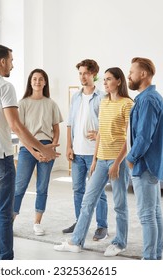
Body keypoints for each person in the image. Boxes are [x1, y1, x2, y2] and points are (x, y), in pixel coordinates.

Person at [0, 44, 59, 260]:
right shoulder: (4, 87)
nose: (13, 65)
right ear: (2, 62)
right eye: (11, 60)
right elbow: (15, 126)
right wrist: (43, 147)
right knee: (3, 213)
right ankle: (6, 260)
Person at [54, 67, 133, 255]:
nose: (104, 83)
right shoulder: (104, 102)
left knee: (120, 204)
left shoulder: (127, 104)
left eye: (108, 79)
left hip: (117, 161)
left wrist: (116, 163)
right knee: (88, 202)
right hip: (101, 159)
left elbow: (129, 138)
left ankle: (120, 243)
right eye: (103, 79)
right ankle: (76, 242)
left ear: (119, 81)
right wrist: (96, 159)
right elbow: (101, 134)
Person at [126, 57, 163, 260]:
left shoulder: (148, 100)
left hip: (145, 166)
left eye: (131, 72)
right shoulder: (148, 98)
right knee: (155, 213)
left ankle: (149, 259)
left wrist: (131, 158)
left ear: (143, 74)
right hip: (151, 165)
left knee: (146, 216)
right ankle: (156, 257)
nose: (129, 75)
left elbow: (143, 136)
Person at [13, 69, 63, 236]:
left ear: (45, 82)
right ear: (30, 82)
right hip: (27, 148)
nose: (37, 82)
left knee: (42, 187)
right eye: (34, 79)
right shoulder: (23, 103)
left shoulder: (51, 104)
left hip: (47, 146)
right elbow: (20, 131)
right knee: (20, 186)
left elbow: (56, 129)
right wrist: (34, 151)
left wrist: (53, 147)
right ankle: (10, 220)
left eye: (41, 79)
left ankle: (37, 223)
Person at [63, 59, 107, 241]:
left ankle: (102, 226)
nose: (82, 76)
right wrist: (68, 146)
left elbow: (107, 124)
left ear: (94, 74)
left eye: (85, 73)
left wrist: (99, 133)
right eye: (80, 73)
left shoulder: (103, 97)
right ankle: (80, 221)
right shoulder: (76, 97)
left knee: (99, 192)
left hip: (94, 153)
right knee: (77, 189)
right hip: (77, 152)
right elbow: (70, 123)